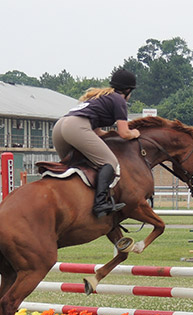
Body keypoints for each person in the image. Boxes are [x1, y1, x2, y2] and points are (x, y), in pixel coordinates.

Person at [52, 69, 141, 218]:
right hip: (76, 127)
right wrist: (135, 133)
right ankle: (100, 204)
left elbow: (98, 133)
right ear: (127, 90)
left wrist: (110, 137)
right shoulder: (119, 100)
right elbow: (124, 133)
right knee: (110, 161)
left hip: (60, 127)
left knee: (73, 168)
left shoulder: (101, 97)